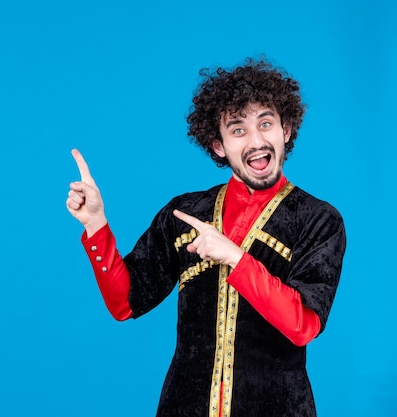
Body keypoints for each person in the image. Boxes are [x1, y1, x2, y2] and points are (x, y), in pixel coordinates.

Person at [65, 58, 346, 417]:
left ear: (286, 130)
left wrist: (236, 259)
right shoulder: (184, 214)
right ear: (218, 145)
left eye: (266, 123)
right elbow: (125, 303)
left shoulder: (318, 219)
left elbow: (303, 325)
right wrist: (96, 225)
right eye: (238, 129)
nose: (256, 140)